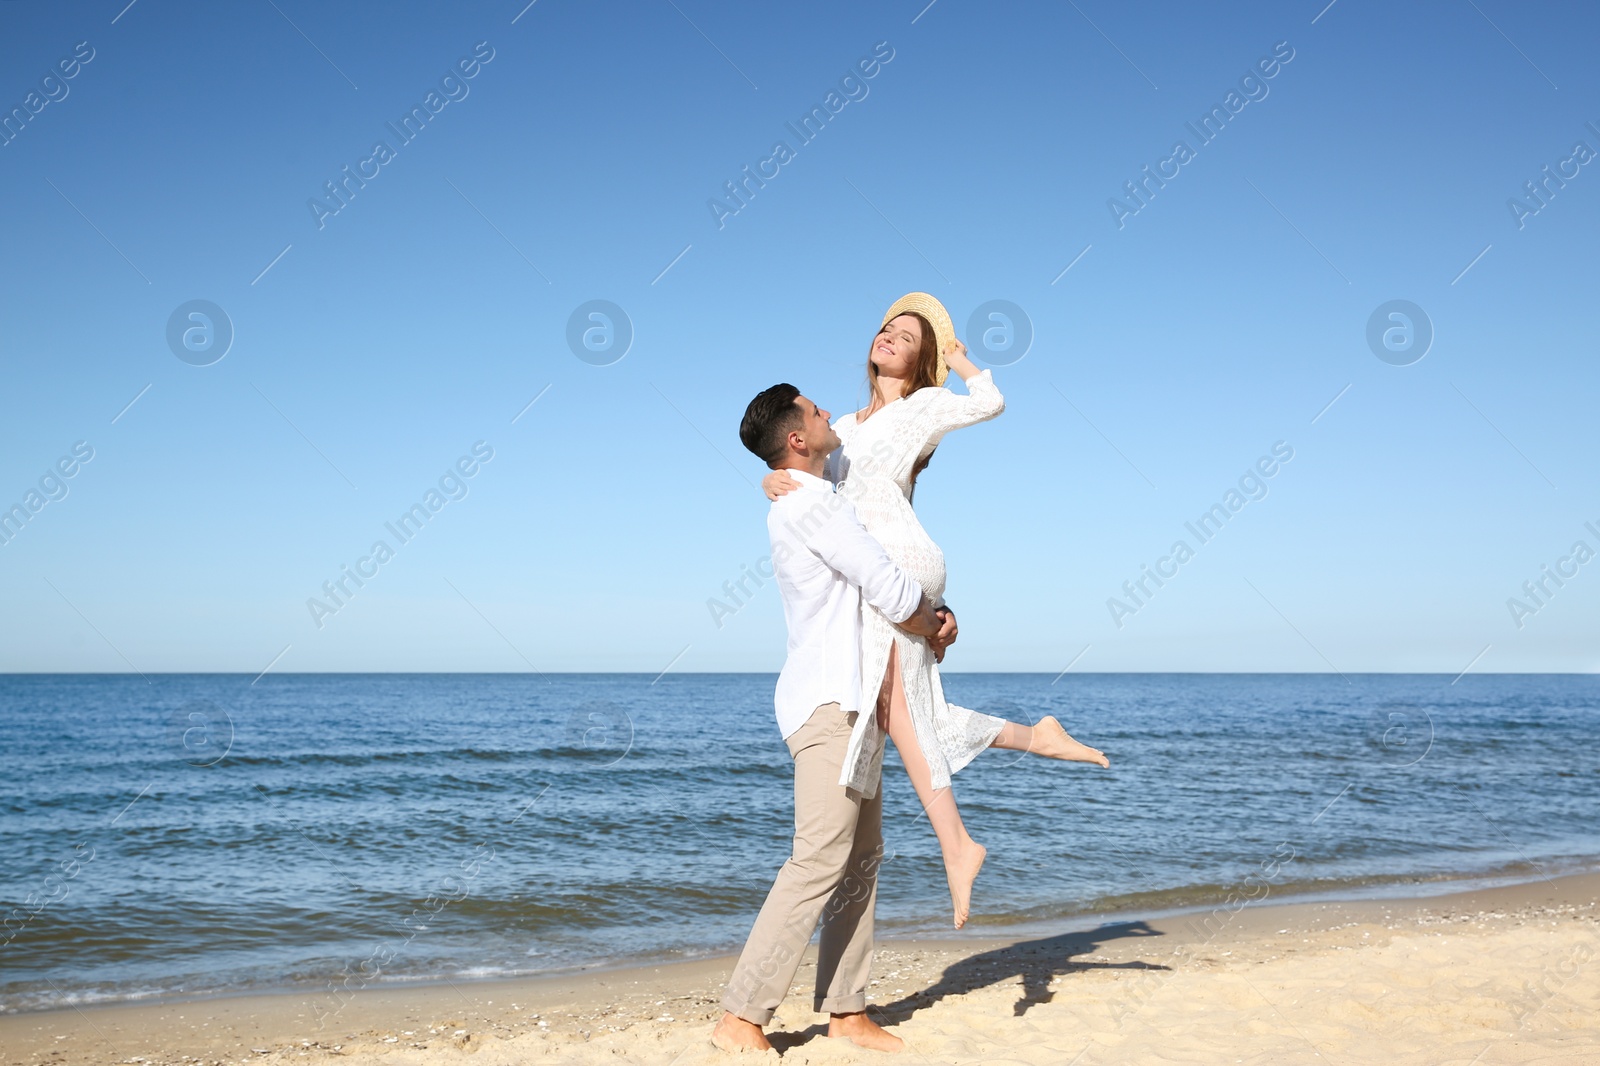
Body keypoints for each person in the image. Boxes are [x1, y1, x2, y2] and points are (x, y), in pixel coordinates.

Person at [761, 293, 1109, 930]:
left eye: (909, 336)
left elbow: (990, 403)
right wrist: (771, 477)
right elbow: (810, 469)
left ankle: (959, 843)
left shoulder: (924, 405)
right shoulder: (846, 426)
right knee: (907, 712)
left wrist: (963, 360)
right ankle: (1031, 744)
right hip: (876, 568)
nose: (891, 336)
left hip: (897, 558)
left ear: (923, 360)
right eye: (887, 328)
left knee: (899, 708)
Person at [712, 383, 948, 1054]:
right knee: (818, 858)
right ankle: (741, 1016)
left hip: (859, 700)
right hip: (830, 704)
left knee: (861, 856)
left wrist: (933, 614)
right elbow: (891, 589)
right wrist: (936, 620)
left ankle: (846, 1010)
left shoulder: (815, 492)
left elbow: (867, 456)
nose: (827, 414)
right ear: (796, 439)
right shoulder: (814, 510)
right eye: (815, 412)